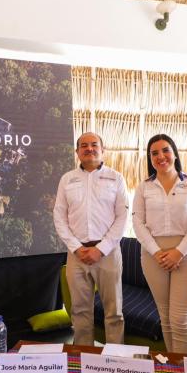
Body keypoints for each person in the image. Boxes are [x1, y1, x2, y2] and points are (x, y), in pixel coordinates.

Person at [132, 134, 187, 353]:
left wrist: (179, 252)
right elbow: (137, 222)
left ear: (174, 153)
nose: (160, 156)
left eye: (165, 150)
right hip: (152, 256)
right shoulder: (143, 187)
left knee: (181, 319)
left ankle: (184, 372)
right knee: (165, 317)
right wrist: (156, 253)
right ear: (149, 158)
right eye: (154, 153)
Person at [53, 132, 129, 345]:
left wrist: (101, 249)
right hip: (76, 255)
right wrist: (76, 248)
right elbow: (59, 216)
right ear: (77, 152)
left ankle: (116, 363)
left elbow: (122, 217)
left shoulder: (116, 178)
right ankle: (84, 361)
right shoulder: (67, 180)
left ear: (102, 150)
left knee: (114, 312)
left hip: (108, 253)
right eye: (84, 145)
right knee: (79, 311)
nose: (89, 148)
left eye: (94, 144)